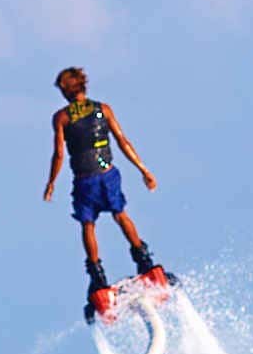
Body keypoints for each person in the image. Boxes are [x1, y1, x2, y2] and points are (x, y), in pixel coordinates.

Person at [38, 66, 166, 316]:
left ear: (65, 91)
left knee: (88, 225)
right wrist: (144, 170)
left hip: (84, 181)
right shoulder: (103, 109)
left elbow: (59, 154)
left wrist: (51, 182)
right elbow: (123, 141)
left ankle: (98, 278)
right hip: (108, 175)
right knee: (121, 215)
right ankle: (145, 263)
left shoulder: (61, 118)